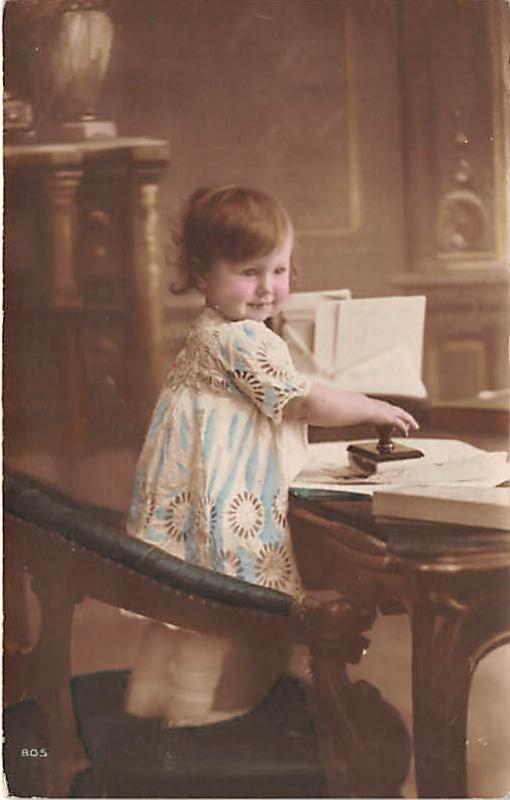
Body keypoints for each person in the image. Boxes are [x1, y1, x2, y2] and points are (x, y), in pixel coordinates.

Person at [125, 185, 418, 726]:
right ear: (201, 274)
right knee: (229, 620)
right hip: (229, 507)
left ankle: (147, 703)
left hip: (195, 500)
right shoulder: (242, 340)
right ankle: (191, 722)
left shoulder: (213, 331)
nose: (267, 288)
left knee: (189, 612)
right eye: (248, 271)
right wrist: (368, 406)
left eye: (279, 270)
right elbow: (300, 401)